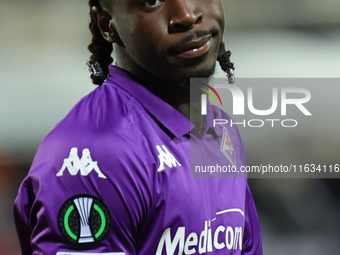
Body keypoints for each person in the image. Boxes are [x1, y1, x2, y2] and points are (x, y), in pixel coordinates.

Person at [14, 0, 263, 254]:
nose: (187, 15)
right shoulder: (94, 154)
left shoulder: (221, 128)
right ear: (106, 24)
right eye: (152, 1)